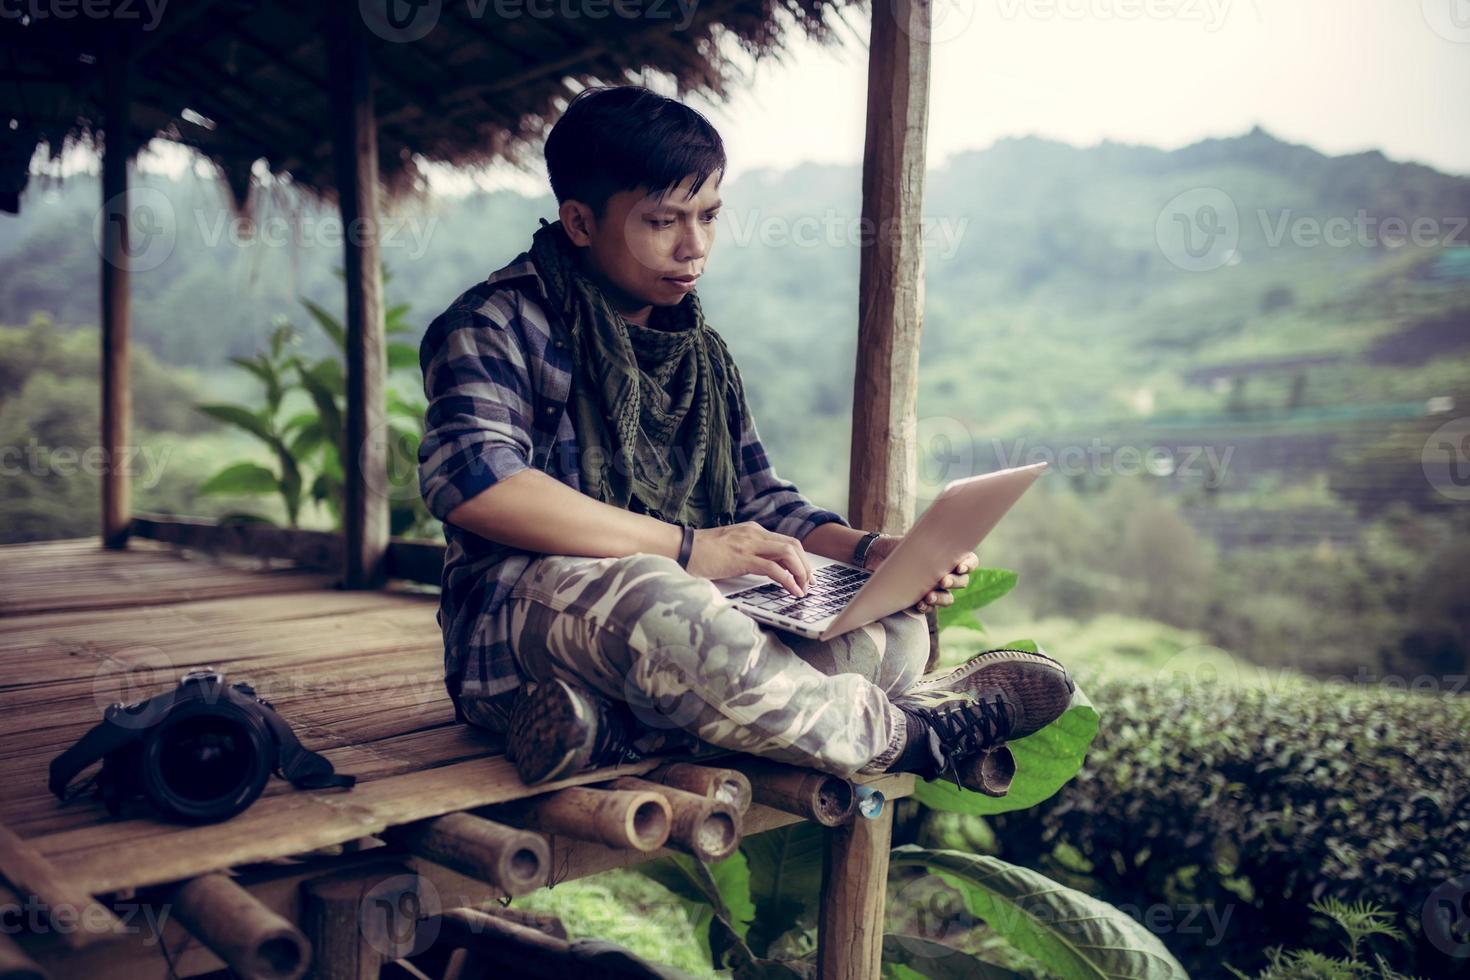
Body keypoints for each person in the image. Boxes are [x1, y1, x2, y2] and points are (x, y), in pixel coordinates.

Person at [416, 85, 1073, 791]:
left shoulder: (699, 354)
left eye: (708, 216)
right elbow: (477, 485)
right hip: (525, 622)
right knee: (663, 606)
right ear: (579, 222)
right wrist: (692, 549)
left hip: (689, 612)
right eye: (662, 221)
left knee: (893, 633)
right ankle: (916, 737)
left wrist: (876, 556)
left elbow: (762, 499)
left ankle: (614, 730)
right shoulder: (494, 323)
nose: (693, 246)